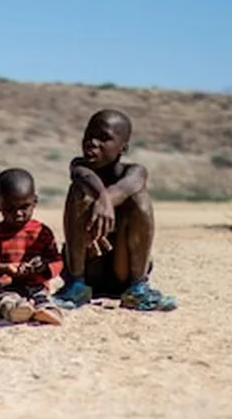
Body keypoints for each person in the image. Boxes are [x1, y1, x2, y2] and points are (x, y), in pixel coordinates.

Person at [53, 109, 177, 311]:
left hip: (123, 268)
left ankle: (138, 289)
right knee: (79, 190)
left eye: (104, 138)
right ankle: (76, 285)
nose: (92, 142)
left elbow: (130, 184)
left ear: (123, 148)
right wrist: (102, 197)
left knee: (139, 196)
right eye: (89, 136)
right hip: (90, 265)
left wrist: (106, 200)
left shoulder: (134, 171)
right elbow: (84, 176)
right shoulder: (79, 166)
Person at [0, 168, 64, 325]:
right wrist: (6, 268)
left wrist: (44, 267)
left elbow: (56, 260)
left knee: (44, 300)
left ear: (35, 202)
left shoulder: (42, 232)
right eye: (10, 208)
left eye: (24, 207)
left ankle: (47, 313)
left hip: (37, 285)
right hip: (8, 286)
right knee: (4, 301)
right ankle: (15, 312)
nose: (18, 213)